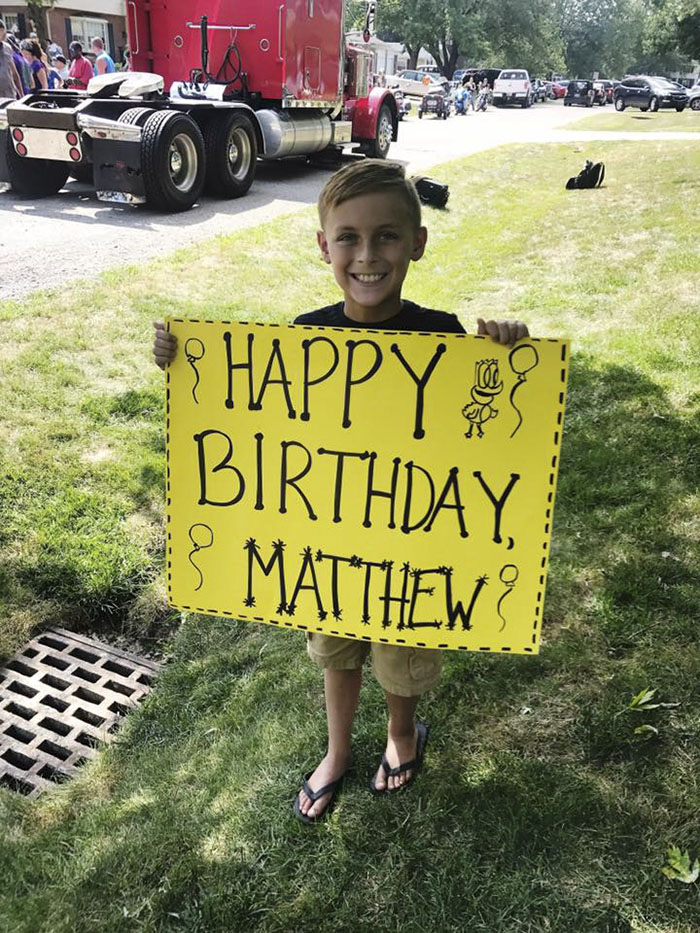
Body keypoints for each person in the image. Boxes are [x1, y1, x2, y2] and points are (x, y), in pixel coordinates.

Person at [151, 160, 530, 823]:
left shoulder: (443, 336)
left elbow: (481, 430)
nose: (367, 255)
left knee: (402, 656)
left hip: (412, 554)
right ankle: (336, 750)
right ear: (324, 246)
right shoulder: (305, 336)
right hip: (327, 550)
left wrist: (502, 354)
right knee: (335, 650)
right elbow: (259, 426)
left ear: (417, 242)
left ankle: (400, 734)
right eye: (348, 238)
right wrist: (182, 365)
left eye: (386, 236)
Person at [0, 19, 23, 99]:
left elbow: (14, 73)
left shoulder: (7, 48)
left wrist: (21, 94)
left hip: (9, 94)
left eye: (1, 30)